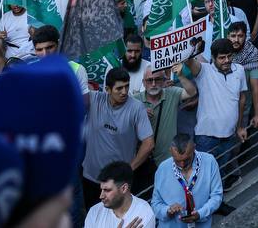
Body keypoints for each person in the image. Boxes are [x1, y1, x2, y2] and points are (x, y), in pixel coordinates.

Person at [83, 67, 155, 213]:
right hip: (91, 177)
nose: (124, 92)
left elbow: (148, 144)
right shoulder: (94, 99)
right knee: (94, 219)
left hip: (118, 182)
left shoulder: (136, 108)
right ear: (107, 89)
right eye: (119, 88)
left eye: (126, 86)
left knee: (119, 219)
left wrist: (129, 168)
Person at [181, 38, 248, 192]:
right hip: (206, 138)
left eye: (229, 56)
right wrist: (194, 46)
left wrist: (239, 127)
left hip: (229, 136)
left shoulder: (240, 70)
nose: (226, 60)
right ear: (213, 58)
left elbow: (242, 98)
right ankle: (204, 209)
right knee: (203, 176)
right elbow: (188, 60)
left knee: (220, 173)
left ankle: (218, 203)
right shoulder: (204, 71)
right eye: (222, 57)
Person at [151, 133, 223, 228]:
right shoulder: (162, 169)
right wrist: (167, 211)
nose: (182, 164)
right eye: (177, 160)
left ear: (194, 148)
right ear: (171, 152)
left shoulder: (209, 162)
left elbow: (217, 196)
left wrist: (200, 214)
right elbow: (155, 204)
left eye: (186, 160)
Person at [85, 160, 156, 228]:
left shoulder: (144, 212)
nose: (101, 196)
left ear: (124, 188)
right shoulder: (95, 212)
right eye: (102, 190)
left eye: (107, 190)